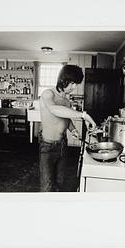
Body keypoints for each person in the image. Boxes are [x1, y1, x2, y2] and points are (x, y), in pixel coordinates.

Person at [39, 64, 96, 192]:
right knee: (47, 186)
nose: (74, 87)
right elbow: (54, 110)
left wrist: (73, 129)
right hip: (47, 146)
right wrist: (83, 115)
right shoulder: (48, 94)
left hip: (63, 145)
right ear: (63, 80)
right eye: (72, 83)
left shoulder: (67, 100)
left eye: (76, 84)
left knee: (60, 182)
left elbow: (66, 118)